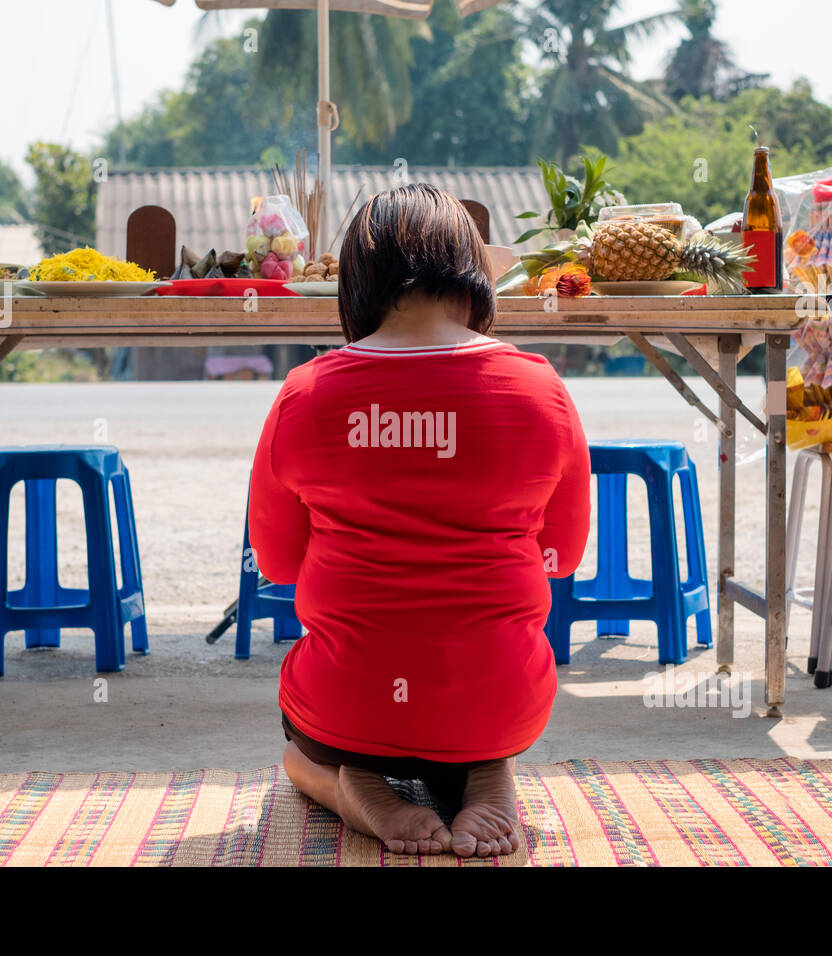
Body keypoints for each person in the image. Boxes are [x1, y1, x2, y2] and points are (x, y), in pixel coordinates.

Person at [248, 183, 591, 857]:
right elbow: (565, 554)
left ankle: (353, 786)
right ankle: (489, 771)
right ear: (472, 278)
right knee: (473, 690)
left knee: (295, 751)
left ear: (358, 284)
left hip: (345, 708)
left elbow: (278, 564)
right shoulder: (540, 388)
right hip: (502, 700)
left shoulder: (306, 394)